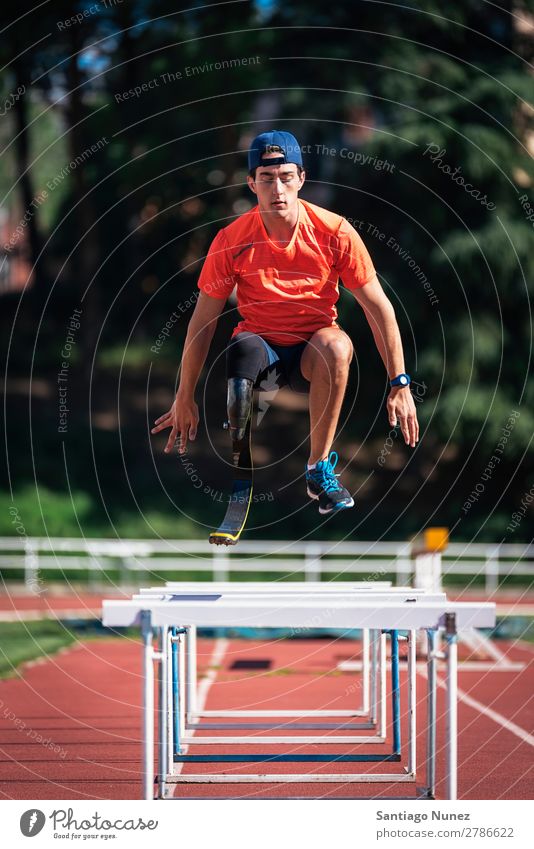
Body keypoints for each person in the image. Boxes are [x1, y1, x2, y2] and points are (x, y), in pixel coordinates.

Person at [152, 130, 419, 516]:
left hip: (311, 354)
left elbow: (379, 308)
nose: (277, 188)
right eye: (266, 178)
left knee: (338, 345)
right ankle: (241, 449)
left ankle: (317, 470)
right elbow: (203, 322)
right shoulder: (232, 240)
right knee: (242, 346)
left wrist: (399, 382)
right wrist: (184, 394)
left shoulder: (335, 232)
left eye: (286, 177)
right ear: (251, 183)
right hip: (260, 352)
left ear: (301, 179)